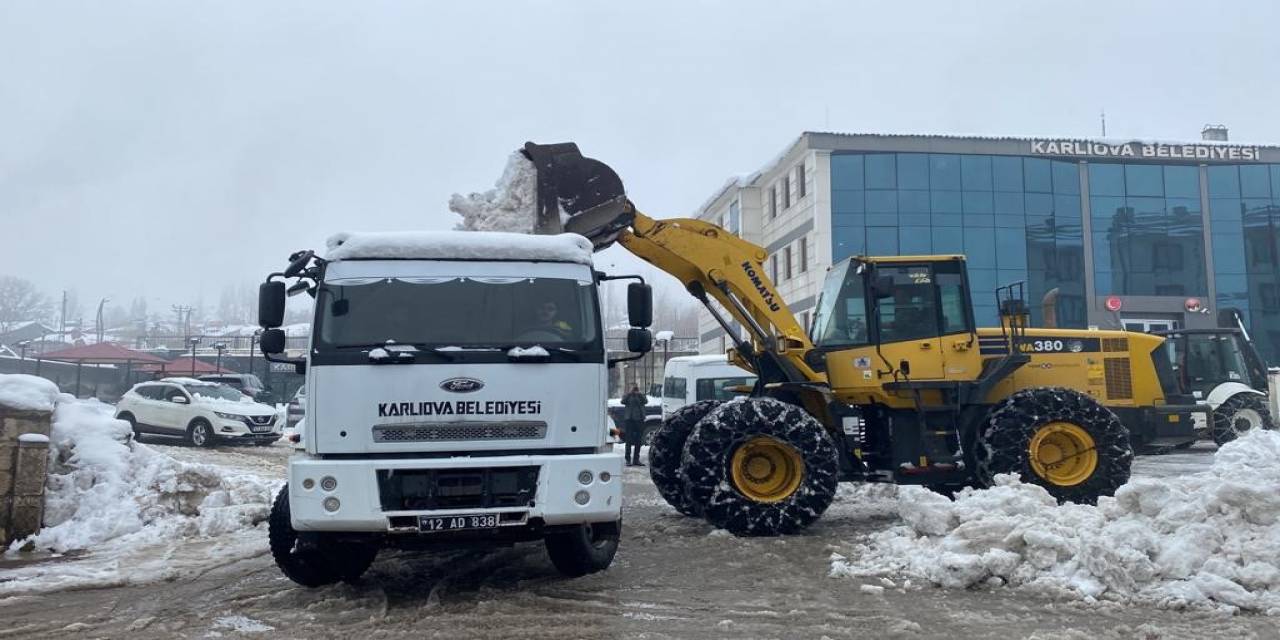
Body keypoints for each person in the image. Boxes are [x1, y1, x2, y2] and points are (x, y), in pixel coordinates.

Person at [621, 384, 648, 467]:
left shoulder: (640, 395)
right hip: (629, 420)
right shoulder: (627, 395)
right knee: (628, 441)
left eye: (636, 388)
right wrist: (630, 393)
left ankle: (636, 459)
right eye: (633, 388)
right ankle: (628, 460)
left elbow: (645, 401)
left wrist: (639, 394)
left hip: (639, 420)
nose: (635, 390)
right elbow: (623, 401)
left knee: (638, 441)